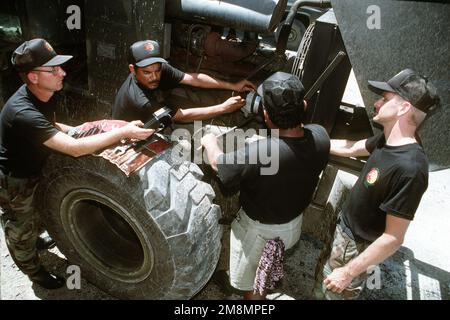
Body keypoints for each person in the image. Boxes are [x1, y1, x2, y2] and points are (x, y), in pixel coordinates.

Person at [0, 38, 154, 290]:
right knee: (20, 227)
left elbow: (51, 126)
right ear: (33, 77)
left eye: (60, 66)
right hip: (15, 180)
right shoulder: (22, 111)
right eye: (53, 69)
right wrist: (122, 131)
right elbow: (72, 149)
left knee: (37, 211)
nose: (62, 72)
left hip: (34, 166)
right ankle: (34, 270)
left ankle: (35, 238)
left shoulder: (44, 93)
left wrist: (84, 131)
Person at [201, 72, 330, 299]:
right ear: (305, 106)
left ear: (265, 114)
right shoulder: (321, 136)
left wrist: (210, 142)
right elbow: (292, 150)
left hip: (260, 233)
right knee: (266, 268)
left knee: (255, 284)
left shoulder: (260, 153)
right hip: (291, 226)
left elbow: (219, 165)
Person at [321, 69, 440, 299]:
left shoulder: (411, 169)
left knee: (332, 293)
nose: (376, 104)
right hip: (343, 231)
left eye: (384, 99)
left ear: (404, 107)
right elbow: (352, 148)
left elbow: (393, 238)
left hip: (355, 248)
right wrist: (312, 139)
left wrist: (347, 272)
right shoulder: (388, 138)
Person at [112, 40, 256, 123]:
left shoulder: (157, 69)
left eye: (157, 70)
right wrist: (223, 108)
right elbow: (181, 116)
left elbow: (194, 79)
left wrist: (233, 85)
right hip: (129, 139)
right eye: (147, 73)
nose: (154, 76)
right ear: (132, 69)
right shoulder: (141, 100)